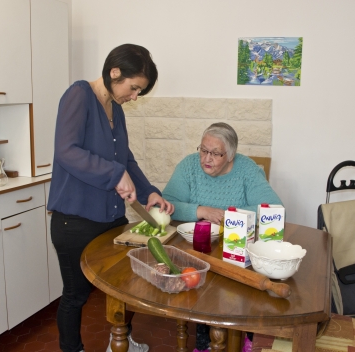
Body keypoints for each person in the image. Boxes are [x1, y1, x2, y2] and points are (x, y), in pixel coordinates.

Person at [47, 43, 174, 352]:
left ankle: (121, 342)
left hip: (110, 217)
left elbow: (124, 158)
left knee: (123, 287)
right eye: (133, 88)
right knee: (75, 295)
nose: (134, 97)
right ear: (115, 72)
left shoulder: (115, 107)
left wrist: (150, 192)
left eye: (139, 92)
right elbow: (67, 151)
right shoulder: (78, 95)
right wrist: (113, 174)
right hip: (75, 219)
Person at [162, 122, 282, 352]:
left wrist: (231, 216)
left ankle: (244, 335)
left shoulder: (247, 169)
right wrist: (201, 211)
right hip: (197, 247)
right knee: (200, 279)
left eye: (215, 153)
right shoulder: (188, 166)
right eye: (203, 150)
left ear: (230, 155)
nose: (206, 158)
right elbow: (167, 203)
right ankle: (203, 342)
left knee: (239, 284)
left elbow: (274, 207)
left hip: (237, 248)